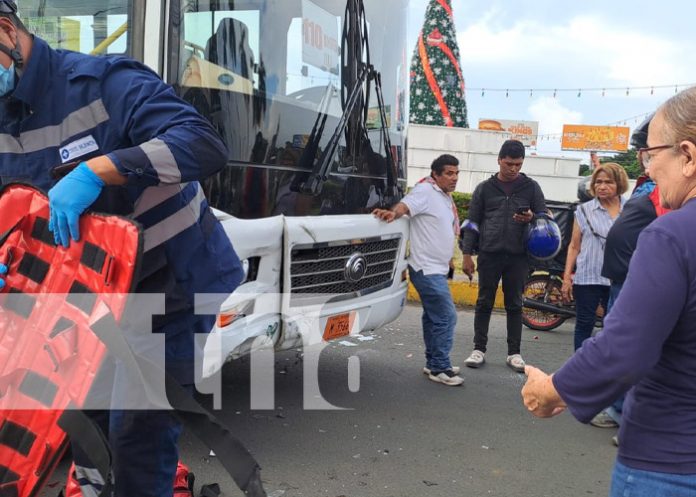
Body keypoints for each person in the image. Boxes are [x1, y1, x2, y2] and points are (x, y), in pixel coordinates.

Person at [0, 3, 245, 496]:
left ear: (5, 30)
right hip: (83, 300)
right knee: (78, 427)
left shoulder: (104, 82)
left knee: (138, 432)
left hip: (169, 284)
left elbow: (203, 144)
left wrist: (101, 169)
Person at [522, 86, 696, 497]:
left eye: (652, 154)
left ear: (687, 156)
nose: (648, 170)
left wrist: (551, 391)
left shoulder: (672, 234)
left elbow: (625, 348)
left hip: (670, 461)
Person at [593, 116, 671, 436]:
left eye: (649, 152)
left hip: (636, 281)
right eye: (644, 152)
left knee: (630, 346)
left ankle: (628, 416)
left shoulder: (669, 189)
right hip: (622, 278)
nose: (646, 159)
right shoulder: (648, 184)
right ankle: (620, 408)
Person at [372, 154, 463, 386]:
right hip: (425, 269)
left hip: (437, 268)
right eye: (449, 173)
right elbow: (406, 205)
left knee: (434, 317)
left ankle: (434, 361)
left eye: (456, 173)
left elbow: (441, 230)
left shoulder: (443, 197)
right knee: (446, 316)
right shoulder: (426, 191)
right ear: (436, 174)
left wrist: (450, 260)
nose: (454, 178)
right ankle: (440, 367)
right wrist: (393, 213)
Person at [460, 139, 546, 373]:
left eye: (518, 164)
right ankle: (478, 349)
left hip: (519, 255)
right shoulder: (484, 189)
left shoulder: (531, 187)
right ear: (499, 160)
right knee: (484, 302)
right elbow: (472, 223)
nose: (513, 169)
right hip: (489, 254)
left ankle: (514, 353)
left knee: (515, 304)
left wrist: (532, 218)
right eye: (509, 164)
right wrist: (467, 254)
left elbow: (544, 215)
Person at [561, 163, 628, 352]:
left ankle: (606, 371)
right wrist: (567, 278)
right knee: (584, 324)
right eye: (598, 182)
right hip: (588, 276)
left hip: (618, 277)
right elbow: (574, 246)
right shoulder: (584, 210)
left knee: (613, 327)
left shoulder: (630, 210)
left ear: (619, 184)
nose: (602, 186)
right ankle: (580, 371)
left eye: (608, 182)